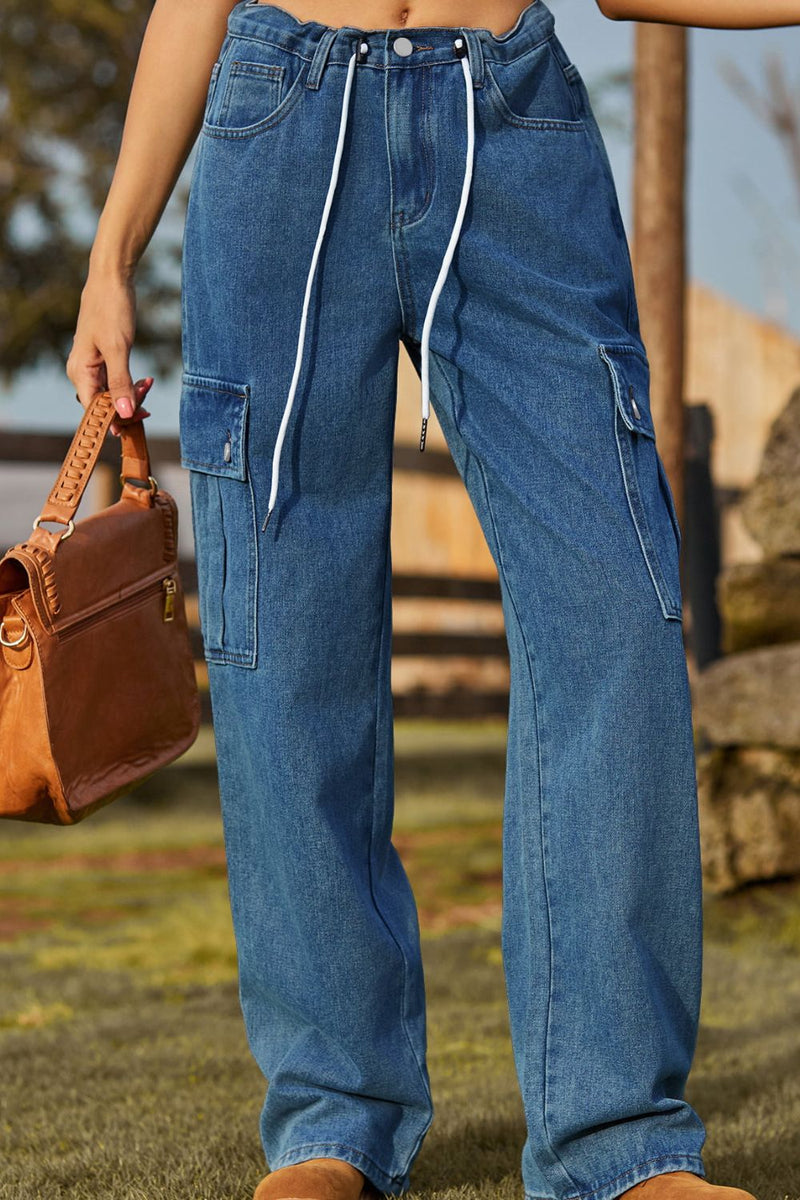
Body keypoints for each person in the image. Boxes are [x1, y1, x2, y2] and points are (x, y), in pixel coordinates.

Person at [66, 1, 796, 1198]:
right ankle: (330, 1121)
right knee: (286, 637)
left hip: (510, 125)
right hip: (283, 129)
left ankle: (618, 1138)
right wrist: (110, 258)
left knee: (614, 616)